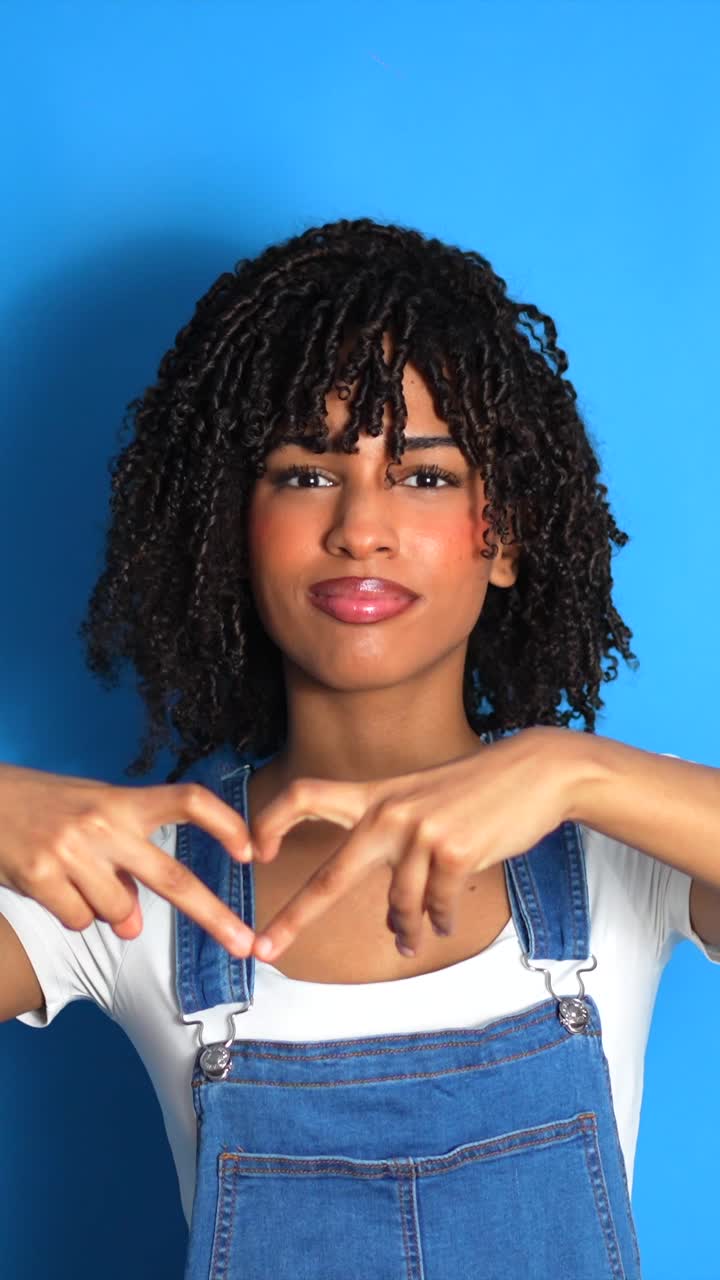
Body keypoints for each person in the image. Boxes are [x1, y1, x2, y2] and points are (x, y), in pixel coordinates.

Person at [2, 216, 720, 1278]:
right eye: (305, 473)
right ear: (227, 533)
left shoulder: (619, 850)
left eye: (424, 476)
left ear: (506, 537)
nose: (361, 525)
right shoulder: (134, 888)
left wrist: (576, 768)